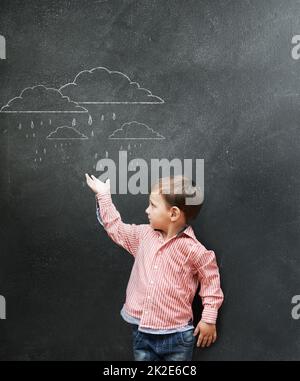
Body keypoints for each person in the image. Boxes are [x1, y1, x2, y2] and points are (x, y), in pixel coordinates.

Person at [85, 173, 224, 361]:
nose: (147, 210)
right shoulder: (143, 236)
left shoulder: (194, 250)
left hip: (177, 336)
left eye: (153, 205)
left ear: (173, 213)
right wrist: (103, 195)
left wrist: (208, 318)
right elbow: (116, 228)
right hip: (141, 331)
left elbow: (211, 282)